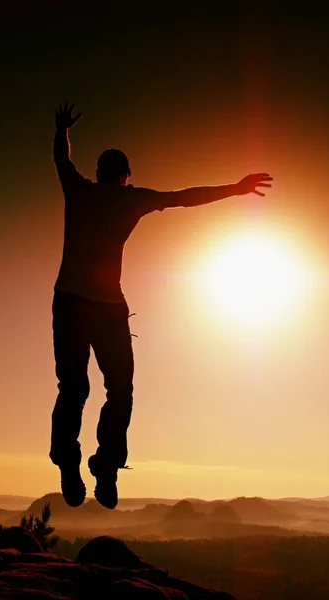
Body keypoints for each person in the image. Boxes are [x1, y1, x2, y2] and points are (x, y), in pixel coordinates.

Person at [50, 102, 273, 509]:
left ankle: (71, 464)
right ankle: (106, 467)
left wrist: (62, 127)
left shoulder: (80, 191)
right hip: (105, 307)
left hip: (70, 303)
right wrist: (235, 189)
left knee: (73, 388)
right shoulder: (131, 200)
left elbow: (61, 159)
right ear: (126, 176)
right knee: (119, 389)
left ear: (99, 173)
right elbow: (184, 198)